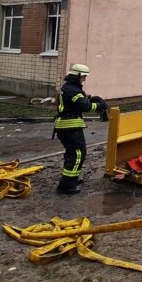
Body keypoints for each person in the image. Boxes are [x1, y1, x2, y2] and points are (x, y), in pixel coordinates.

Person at [53, 63, 107, 195]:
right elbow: (84, 106)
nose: (85, 79)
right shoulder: (73, 90)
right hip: (70, 127)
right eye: (84, 76)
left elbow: (76, 102)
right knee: (77, 154)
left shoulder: (69, 88)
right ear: (78, 76)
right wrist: (99, 105)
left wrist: (90, 98)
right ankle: (67, 186)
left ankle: (71, 179)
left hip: (65, 125)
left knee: (72, 154)